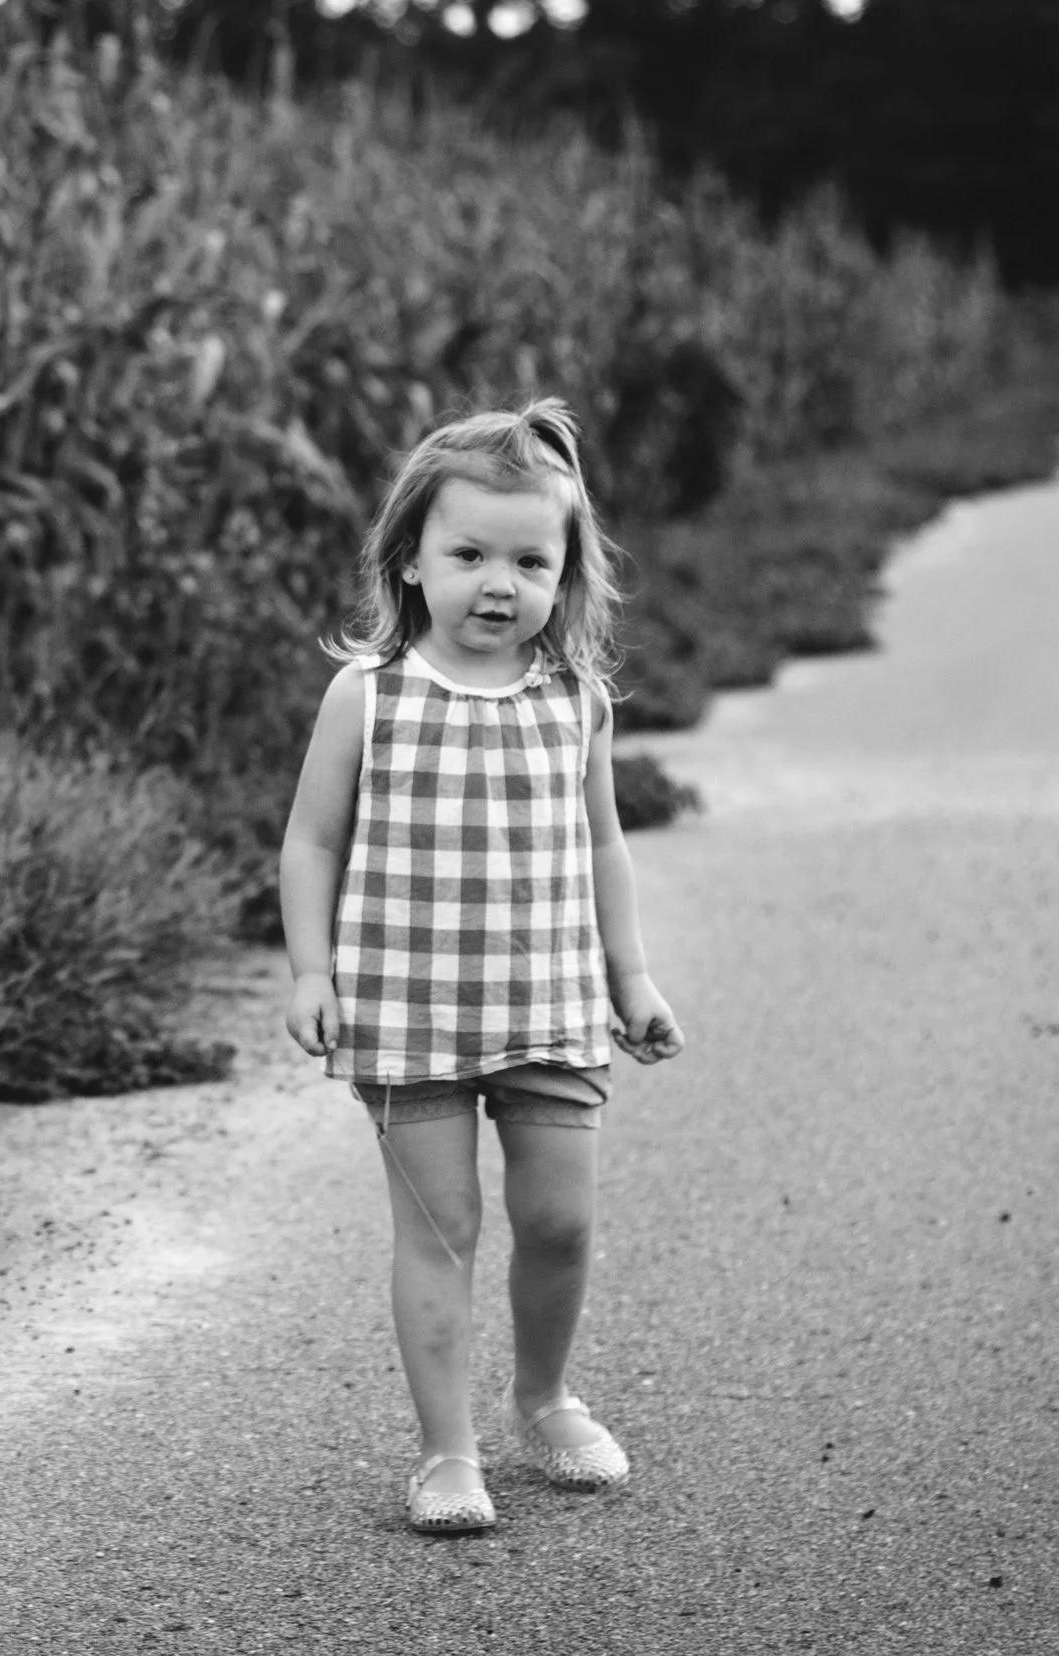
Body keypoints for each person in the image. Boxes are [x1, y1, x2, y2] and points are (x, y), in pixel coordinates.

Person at [279, 398, 684, 1533]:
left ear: (566, 575)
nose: (497, 583)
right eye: (468, 555)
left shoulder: (575, 703)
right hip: (407, 1014)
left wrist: (631, 978)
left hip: (550, 1006)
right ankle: (446, 1453)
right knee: (440, 1227)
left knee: (558, 1222)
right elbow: (310, 839)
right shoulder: (371, 694)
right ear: (411, 558)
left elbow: (603, 844)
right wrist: (311, 972)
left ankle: (545, 1397)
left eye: (528, 560)